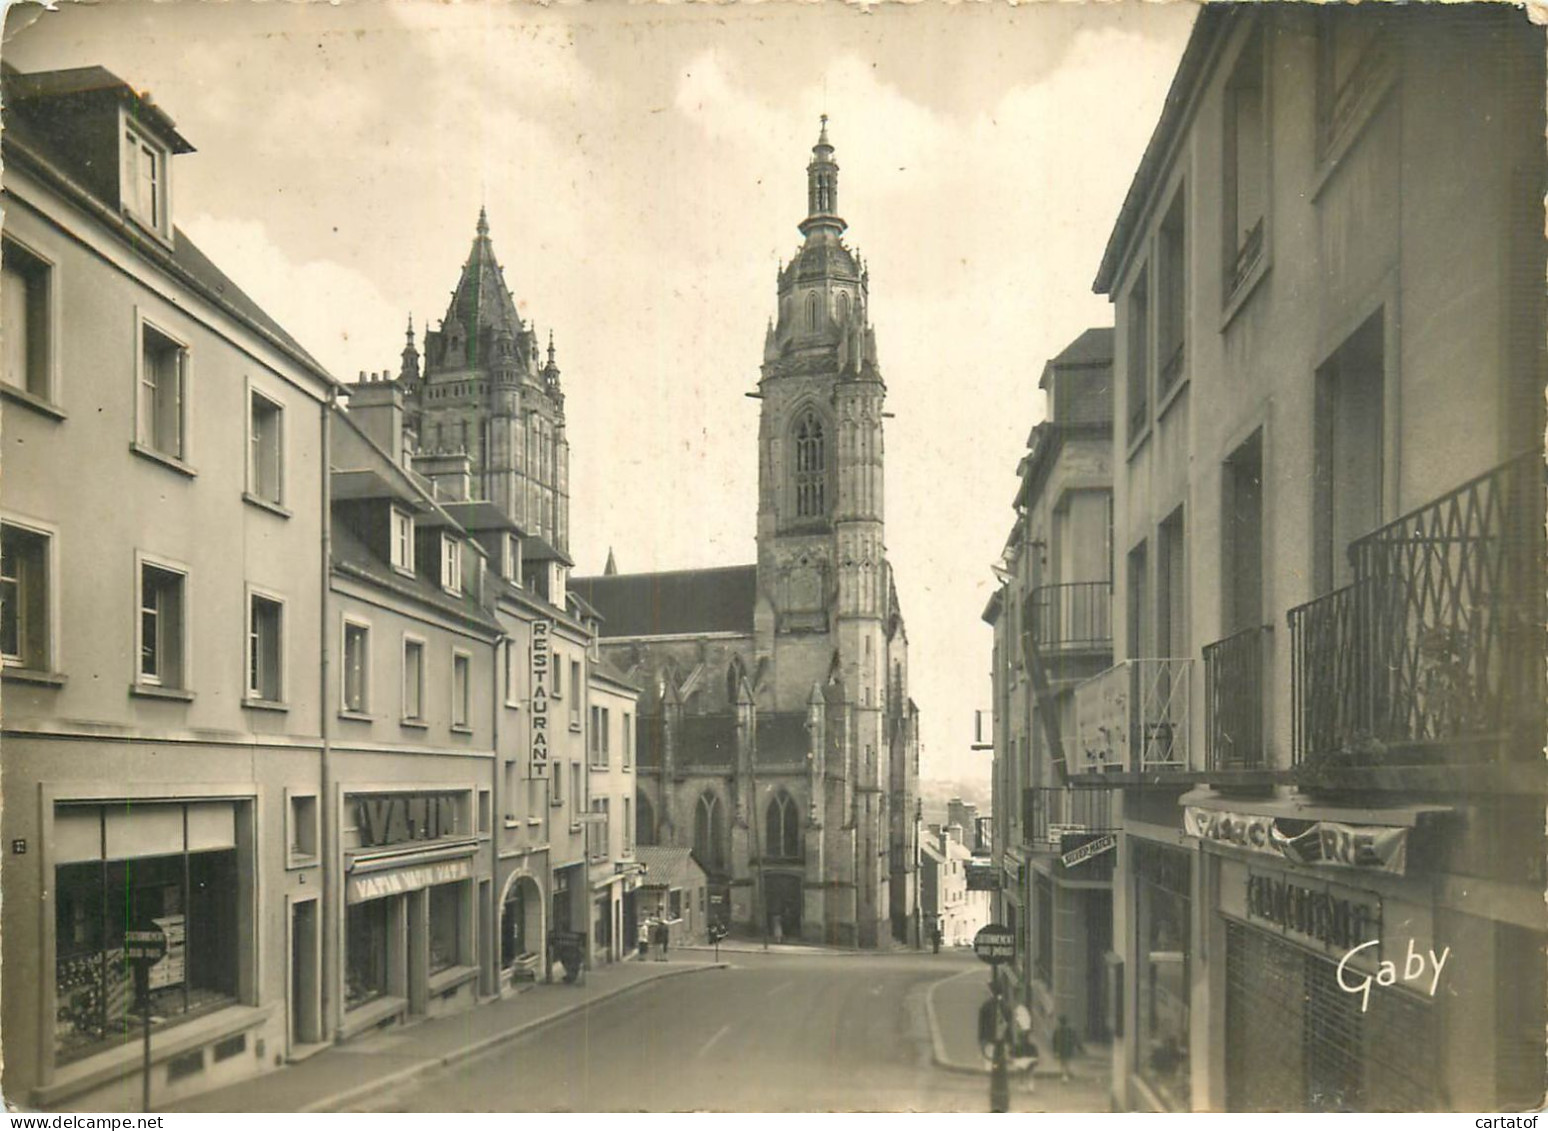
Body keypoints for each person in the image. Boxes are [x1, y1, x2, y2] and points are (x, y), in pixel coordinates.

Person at [1051, 1015, 1084, 1082]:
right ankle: (1067, 1074)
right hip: (1069, 1048)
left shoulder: (1057, 1030)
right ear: (1067, 1022)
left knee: (1062, 1062)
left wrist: (1055, 1051)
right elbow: (1076, 1039)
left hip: (1061, 1049)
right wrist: (1080, 1048)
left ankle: (1064, 1075)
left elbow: (1054, 1041)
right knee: (1067, 1061)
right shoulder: (1071, 1030)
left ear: (1060, 1022)